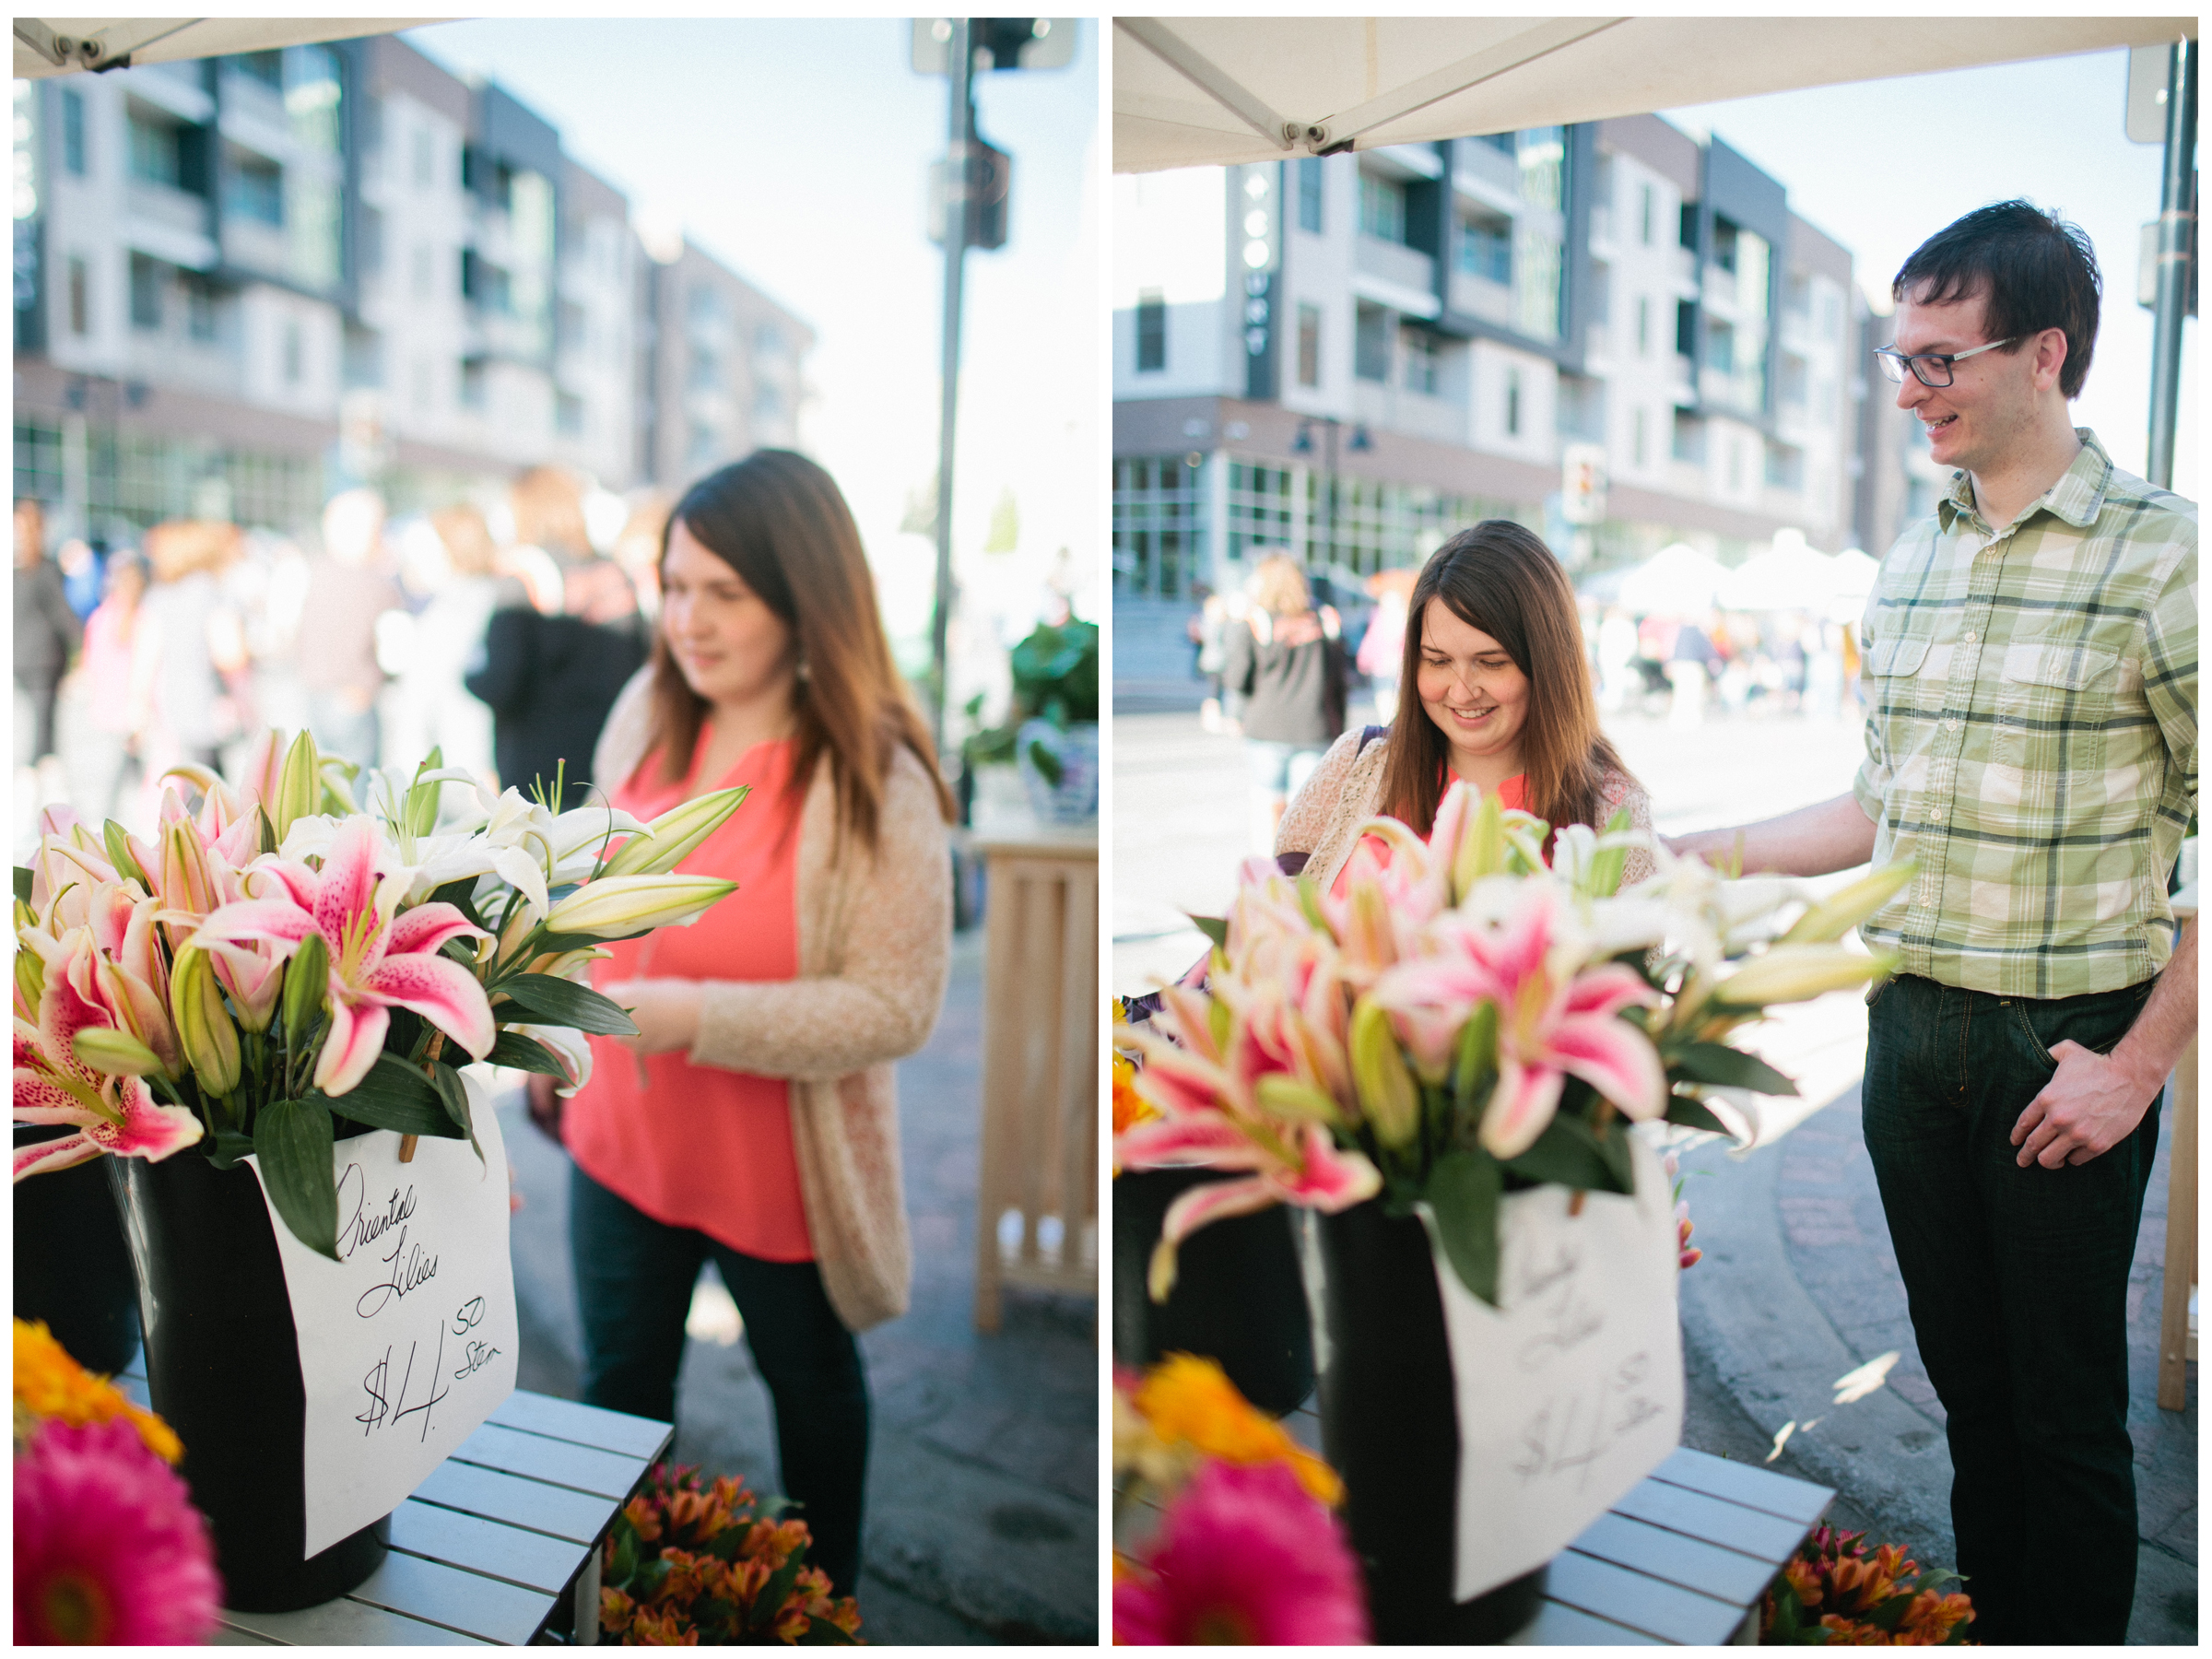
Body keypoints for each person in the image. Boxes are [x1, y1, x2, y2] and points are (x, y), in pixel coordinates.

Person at [1665, 202, 2196, 1646]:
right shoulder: (1912, 560)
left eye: (1938, 361)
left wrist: (2138, 1064)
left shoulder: (2170, 558)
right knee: (1969, 1393)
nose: (1911, 391)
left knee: (2067, 1419)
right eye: (1901, 360)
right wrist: (1692, 849)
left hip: (2068, 1052)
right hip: (1909, 1044)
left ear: (2045, 354)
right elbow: (1876, 808)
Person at [528, 449, 956, 1599]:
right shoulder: (644, 715)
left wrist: (688, 1016)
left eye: (726, 593)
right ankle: (625, 1605)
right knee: (618, 1399)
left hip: (782, 1169)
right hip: (622, 1141)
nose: (688, 621)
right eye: (675, 587)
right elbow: (589, 897)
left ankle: (822, 1610)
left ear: (803, 595)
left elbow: (896, 1005)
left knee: (811, 1396)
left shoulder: (875, 775)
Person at [1277, 520, 1656, 896]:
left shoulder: (1613, 809)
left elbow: (1640, 953)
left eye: (1491, 663)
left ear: (1548, 665)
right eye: (1438, 661)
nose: (1461, 693)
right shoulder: (1357, 764)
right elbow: (1271, 919)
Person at [466, 467, 648, 808]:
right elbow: (639, 666)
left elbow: (501, 681)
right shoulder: (614, 575)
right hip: (606, 762)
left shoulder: (525, 575)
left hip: (533, 768)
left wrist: (468, 675)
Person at [1222, 554, 1347, 853]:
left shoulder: (1255, 622)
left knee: (1267, 805)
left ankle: (1267, 877)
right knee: (1302, 813)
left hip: (1265, 729)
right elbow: (1339, 680)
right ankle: (1295, 878)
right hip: (1313, 728)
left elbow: (1237, 678)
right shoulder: (1323, 621)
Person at [136, 520, 250, 791]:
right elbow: (231, 654)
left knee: (186, 783)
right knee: (213, 791)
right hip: (209, 703)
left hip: (172, 706)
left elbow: (144, 660)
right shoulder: (213, 593)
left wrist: (138, 706)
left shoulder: (159, 597)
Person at [296, 488, 401, 778]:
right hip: (355, 694)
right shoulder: (378, 583)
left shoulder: (315, 572)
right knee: (359, 795)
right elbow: (396, 652)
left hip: (316, 690)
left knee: (324, 786)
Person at [66, 550, 150, 826]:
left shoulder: (100, 618)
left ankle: (104, 830)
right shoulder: (141, 619)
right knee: (135, 780)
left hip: (104, 711)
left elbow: (89, 664)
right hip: (132, 711)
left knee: (113, 782)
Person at [15, 499, 83, 784]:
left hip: (21, 659)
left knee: (37, 726)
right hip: (44, 660)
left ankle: (39, 783)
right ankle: (38, 788)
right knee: (43, 730)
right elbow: (63, 616)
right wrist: (82, 649)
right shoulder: (44, 570)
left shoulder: (17, 573)